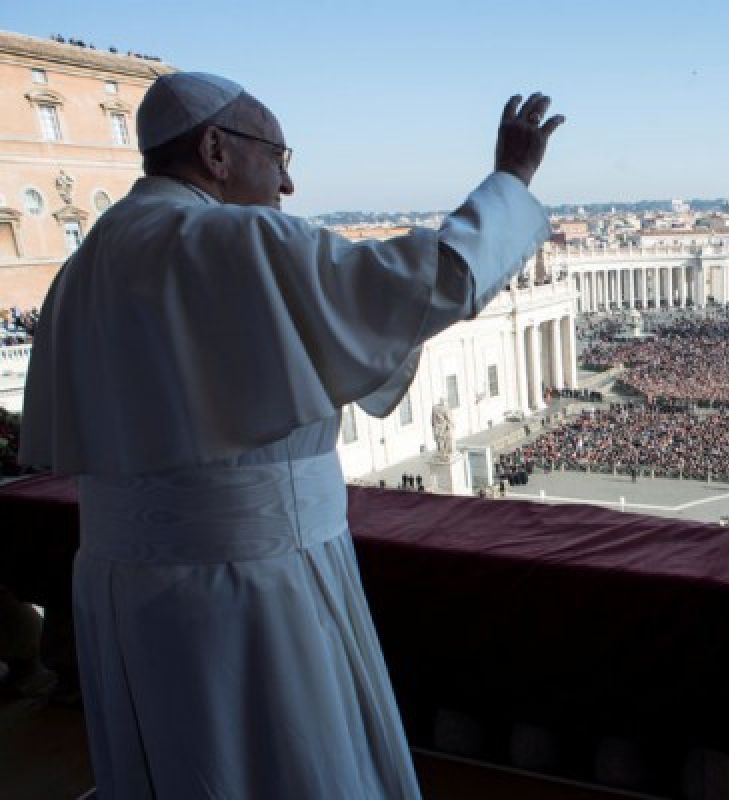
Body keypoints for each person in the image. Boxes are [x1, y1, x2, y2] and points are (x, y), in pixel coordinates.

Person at [19, 72, 564, 799]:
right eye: (278, 158)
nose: (289, 184)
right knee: (291, 762)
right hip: (251, 580)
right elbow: (432, 281)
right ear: (215, 149)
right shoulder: (233, 239)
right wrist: (510, 178)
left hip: (123, 589)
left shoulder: (84, 265)